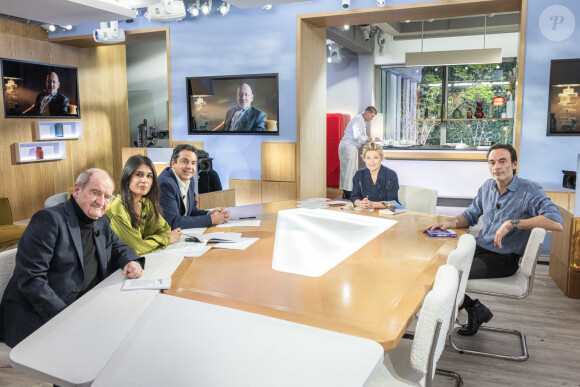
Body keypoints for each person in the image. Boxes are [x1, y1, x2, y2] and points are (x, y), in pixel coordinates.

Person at [425, 143, 563, 336]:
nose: (496, 166)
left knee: (448, 274)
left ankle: (467, 311)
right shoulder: (487, 187)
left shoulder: (529, 190)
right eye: (492, 162)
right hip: (480, 248)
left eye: (502, 161)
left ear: (514, 164)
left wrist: (512, 223)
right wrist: (450, 222)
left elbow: (556, 222)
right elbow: (472, 214)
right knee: (434, 266)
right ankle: (474, 308)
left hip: (504, 259)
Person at [0, 169, 143, 348]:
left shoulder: (101, 221)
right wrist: (67, 316)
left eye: (107, 197)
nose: (101, 201)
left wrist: (132, 261)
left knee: (132, 329)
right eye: (95, 192)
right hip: (42, 313)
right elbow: (32, 279)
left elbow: (118, 247)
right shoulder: (48, 220)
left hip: (83, 305)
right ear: (77, 190)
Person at [106, 155, 182, 256]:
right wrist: (166, 239)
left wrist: (147, 243)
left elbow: (164, 229)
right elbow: (135, 248)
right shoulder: (117, 206)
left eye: (149, 176)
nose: (144, 181)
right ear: (127, 177)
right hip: (117, 267)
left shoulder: (146, 203)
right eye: (139, 175)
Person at [159, 144, 230, 228]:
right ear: (173, 163)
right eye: (184, 161)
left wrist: (210, 213)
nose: (189, 166)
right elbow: (173, 222)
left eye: (193, 163)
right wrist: (211, 219)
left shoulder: (190, 180)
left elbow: (192, 211)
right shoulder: (165, 184)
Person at [339, 106, 380, 199]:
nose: (372, 118)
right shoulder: (358, 120)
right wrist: (372, 139)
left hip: (349, 146)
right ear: (367, 113)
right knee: (348, 170)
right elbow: (358, 136)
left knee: (349, 170)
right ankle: (348, 193)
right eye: (372, 116)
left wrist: (370, 140)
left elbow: (363, 137)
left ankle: (348, 192)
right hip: (348, 146)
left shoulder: (361, 121)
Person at [350, 142, 399, 210]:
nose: (371, 162)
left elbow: (393, 203)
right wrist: (360, 203)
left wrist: (372, 204)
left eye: (375, 158)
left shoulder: (391, 175)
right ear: (364, 159)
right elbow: (354, 197)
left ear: (381, 158)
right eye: (368, 158)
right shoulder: (359, 174)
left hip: (387, 213)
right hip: (366, 212)